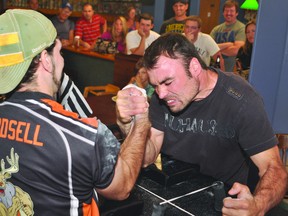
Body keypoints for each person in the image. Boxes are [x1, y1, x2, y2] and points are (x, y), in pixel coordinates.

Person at [116, 33, 287, 215]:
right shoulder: (162, 97)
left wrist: (258, 205)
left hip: (221, 201)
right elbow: (148, 156)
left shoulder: (241, 100)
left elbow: (274, 168)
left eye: (168, 82)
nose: (161, 93)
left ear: (195, 67)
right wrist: (127, 123)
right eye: (156, 85)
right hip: (173, 189)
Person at [0, 9, 150, 216]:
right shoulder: (84, 135)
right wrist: (141, 123)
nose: (62, 62)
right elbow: (122, 187)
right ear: (45, 59)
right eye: (59, 52)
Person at [210, 0, 245, 72]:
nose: (229, 13)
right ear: (223, 13)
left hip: (232, 70)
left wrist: (216, 49)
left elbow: (236, 50)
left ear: (237, 13)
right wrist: (230, 44)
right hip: (216, 69)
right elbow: (209, 47)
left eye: (231, 11)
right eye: (226, 11)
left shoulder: (242, 28)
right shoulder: (216, 29)